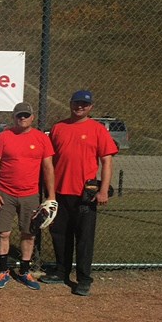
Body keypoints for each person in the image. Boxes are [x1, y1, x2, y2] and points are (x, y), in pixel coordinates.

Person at [42, 90, 118, 296]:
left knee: (84, 238)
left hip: (85, 194)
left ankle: (84, 278)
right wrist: (49, 192)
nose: (80, 107)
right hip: (59, 191)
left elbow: (107, 161)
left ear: (91, 107)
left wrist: (103, 190)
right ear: (70, 104)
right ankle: (61, 271)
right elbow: (49, 161)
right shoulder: (59, 128)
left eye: (84, 104)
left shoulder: (97, 129)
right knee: (59, 234)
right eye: (76, 103)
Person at [0, 102, 55, 290]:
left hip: (30, 193)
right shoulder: (4, 137)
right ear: (14, 117)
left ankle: (25, 271)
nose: (22, 118)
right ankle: (3, 271)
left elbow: (48, 168)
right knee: (3, 233)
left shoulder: (41, 139)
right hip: (5, 192)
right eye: (19, 115)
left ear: (32, 117)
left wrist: (51, 195)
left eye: (26, 115)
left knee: (29, 233)